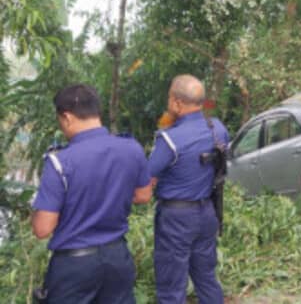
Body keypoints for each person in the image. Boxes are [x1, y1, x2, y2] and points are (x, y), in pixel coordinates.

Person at [31, 84, 152, 303]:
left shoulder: (60, 162)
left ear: (67, 117)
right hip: (117, 257)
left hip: (74, 266)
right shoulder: (131, 148)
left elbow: (42, 228)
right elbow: (143, 196)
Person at [149, 75, 229, 303]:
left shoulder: (170, 140)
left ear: (176, 102)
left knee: (171, 287)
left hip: (176, 218)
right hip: (207, 212)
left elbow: (146, 176)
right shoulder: (218, 129)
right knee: (206, 277)